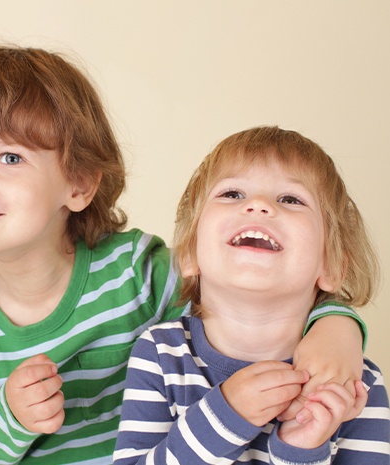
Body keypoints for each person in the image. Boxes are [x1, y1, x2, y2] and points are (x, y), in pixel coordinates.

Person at [0, 46, 368, 465]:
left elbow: (244, 290)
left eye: (10, 158)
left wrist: (336, 328)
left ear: (78, 185)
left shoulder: (134, 270)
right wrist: (9, 417)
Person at [113, 126, 390, 464]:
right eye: (232, 193)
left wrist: (300, 450)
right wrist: (225, 415)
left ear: (331, 265)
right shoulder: (159, 354)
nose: (258, 205)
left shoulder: (354, 383)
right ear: (189, 254)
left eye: (290, 199)